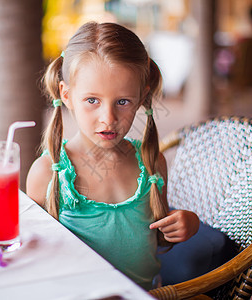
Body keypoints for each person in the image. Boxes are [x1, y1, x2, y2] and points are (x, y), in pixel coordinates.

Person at [26, 21, 199, 290]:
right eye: (92, 100)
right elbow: (37, 259)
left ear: (142, 98)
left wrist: (187, 224)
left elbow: (158, 233)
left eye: (122, 102)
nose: (108, 119)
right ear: (67, 95)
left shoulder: (152, 163)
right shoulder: (47, 173)